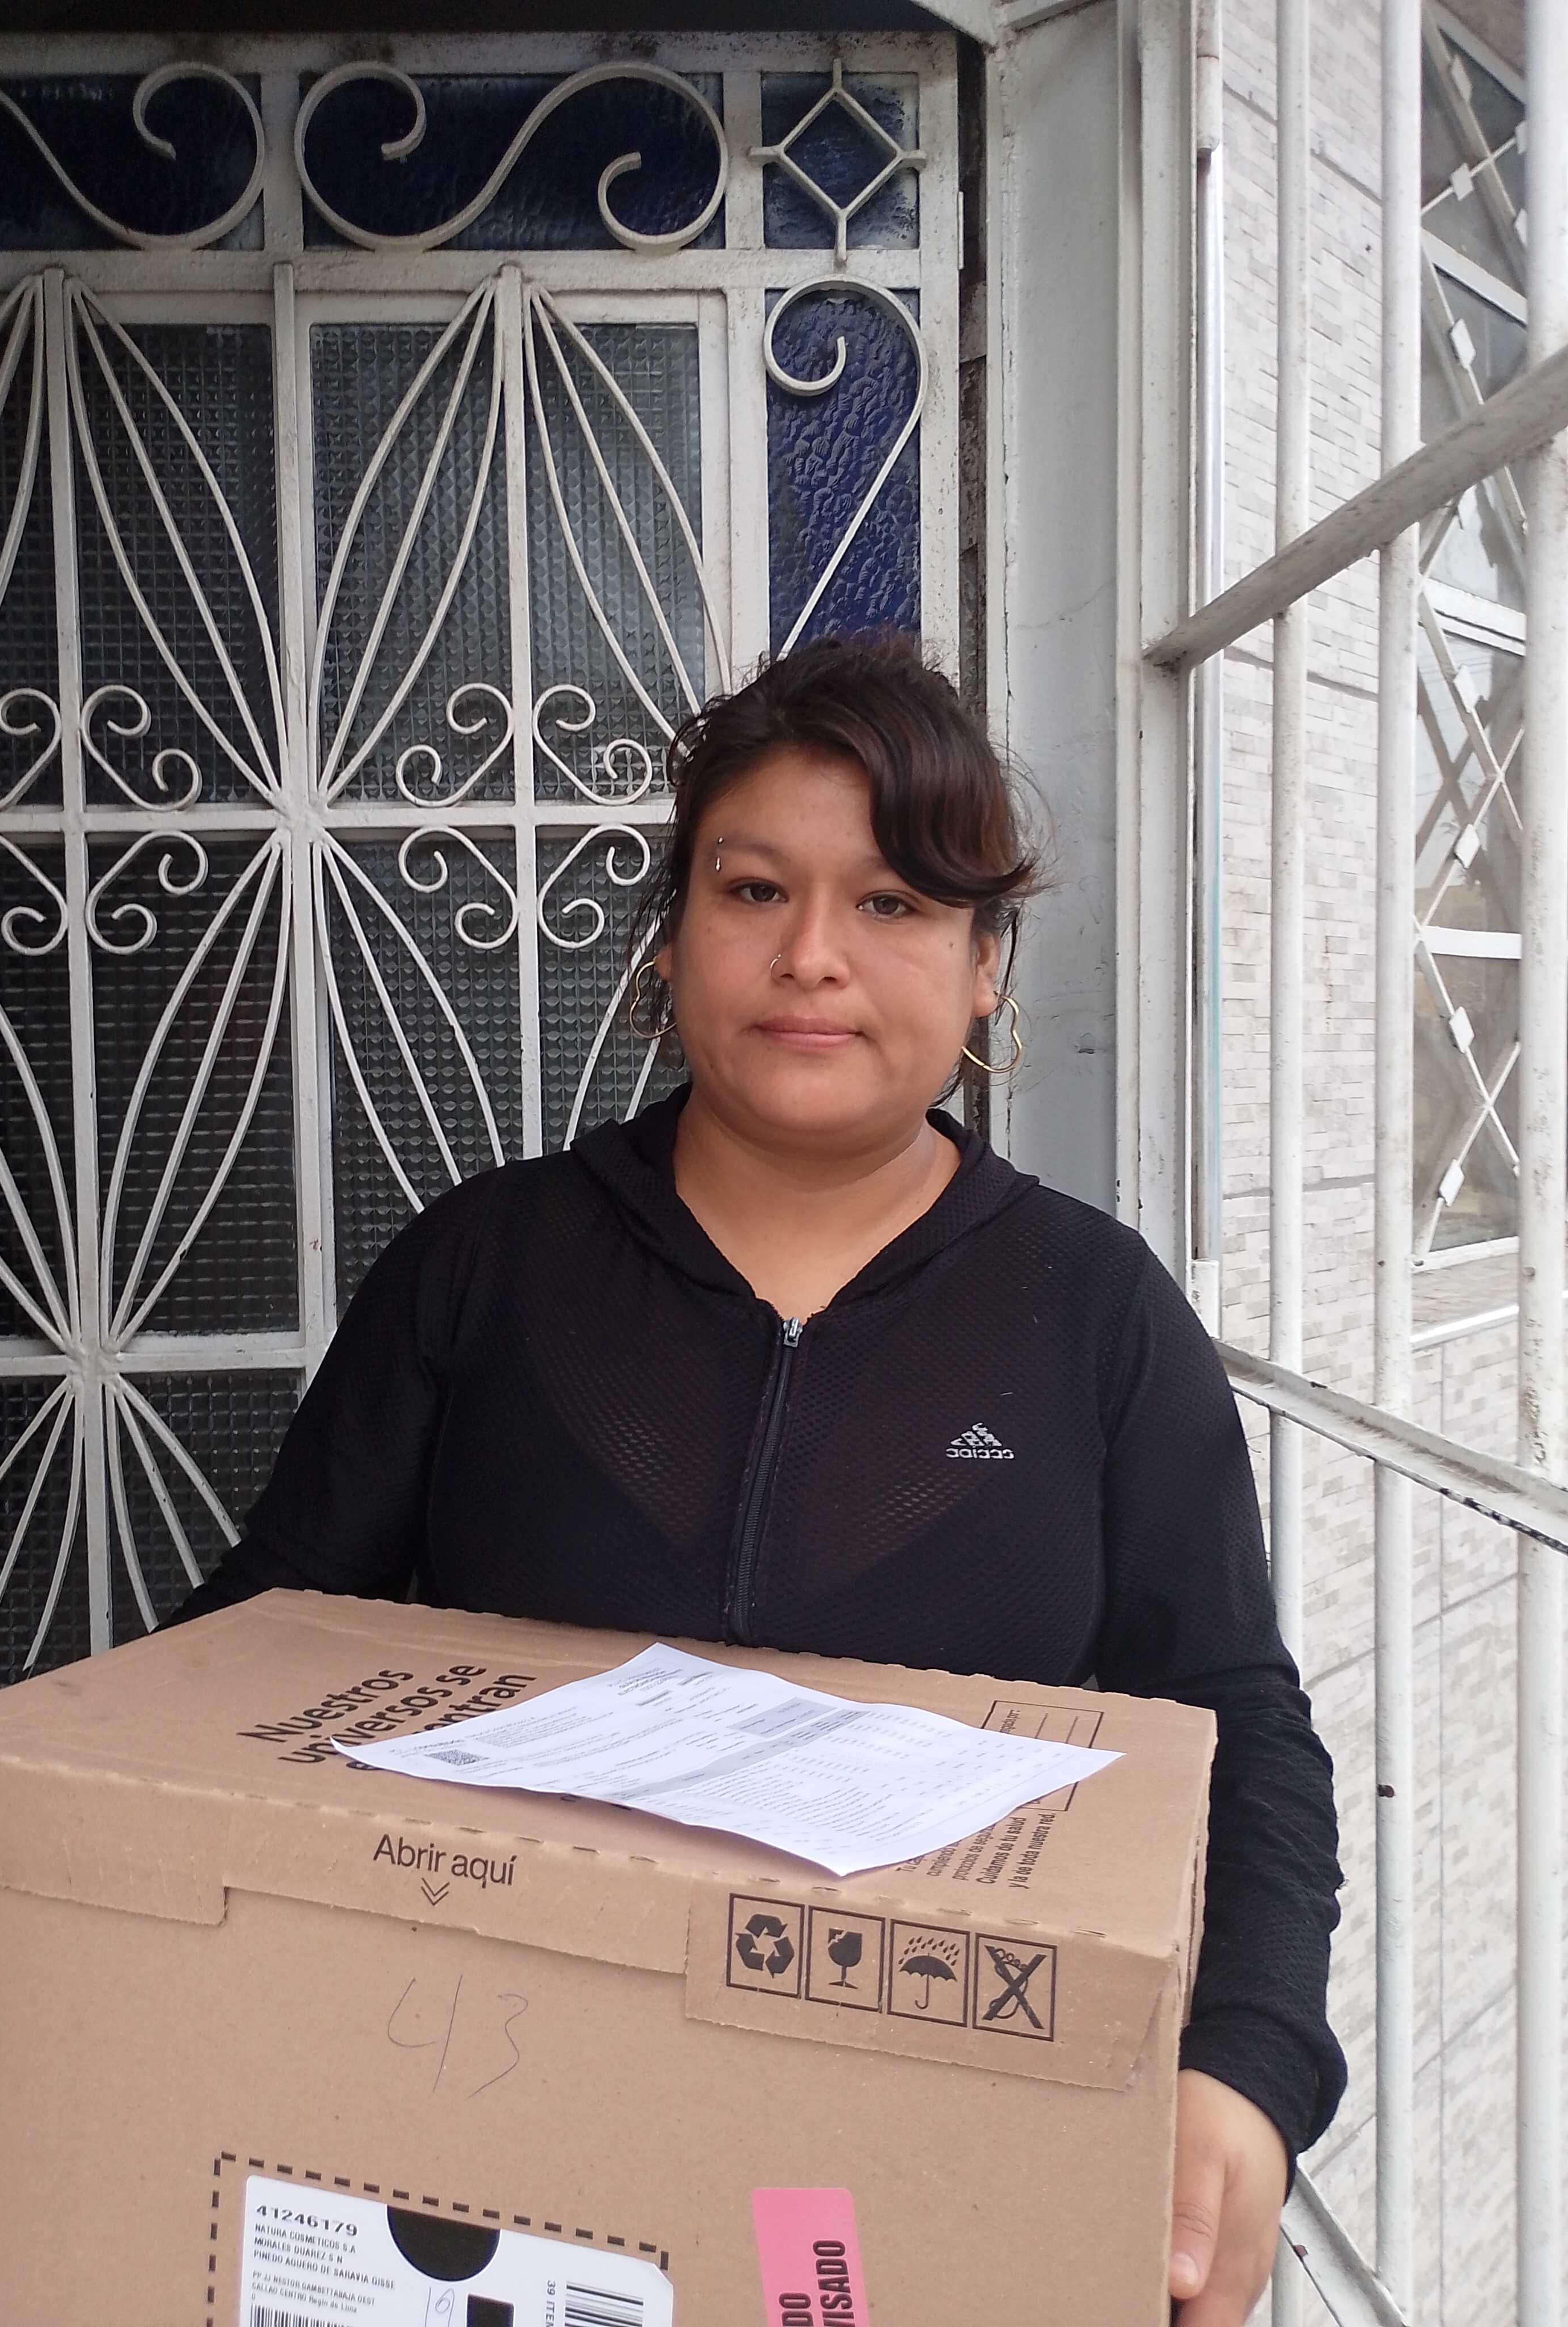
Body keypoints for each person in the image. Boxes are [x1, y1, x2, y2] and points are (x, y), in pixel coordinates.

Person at [168, 632, 1344, 2325]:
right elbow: (254, 1651)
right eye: (752, 890)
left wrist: (1246, 2067)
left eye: (893, 903)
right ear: (669, 939)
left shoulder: (1094, 1314)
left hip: (929, 2172)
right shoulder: (488, 1267)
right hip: (488, 2143)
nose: (811, 958)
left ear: (987, 965)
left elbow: (1236, 1719)